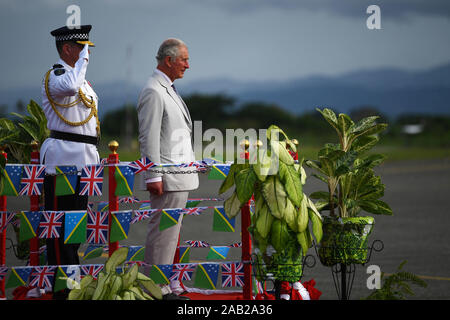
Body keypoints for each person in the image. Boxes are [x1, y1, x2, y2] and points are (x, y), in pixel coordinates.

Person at [40, 25, 100, 300]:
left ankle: (72, 288)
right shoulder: (58, 75)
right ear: (67, 49)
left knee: (75, 229)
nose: (86, 53)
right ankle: (61, 290)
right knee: (60, 227)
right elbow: (71, 87)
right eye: (81, 47)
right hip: (62, 163)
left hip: (84, 162)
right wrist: (84, 60)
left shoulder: (81, 81)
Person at [137, 38, 198, 300]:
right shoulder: (154, 90)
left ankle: (163, 285)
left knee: (170, 235)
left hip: (178, 176)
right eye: (184, 59)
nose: (188, 64)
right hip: (167, 177)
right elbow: (148, 137)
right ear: (169, 60)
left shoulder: (167, 88)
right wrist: (153, 174)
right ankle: (156, 289)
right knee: (163, 234)